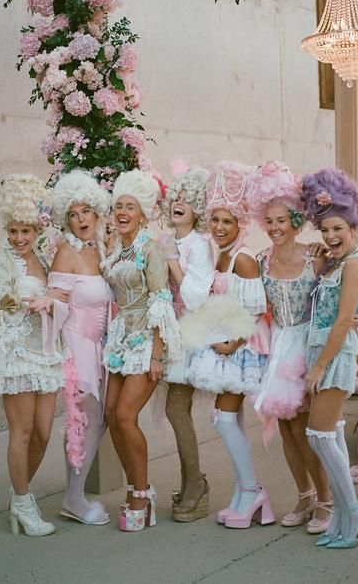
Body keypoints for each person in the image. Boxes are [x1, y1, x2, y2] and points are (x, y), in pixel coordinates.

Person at [0, 174, 64, 537]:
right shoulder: (3, 262)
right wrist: (32, 306)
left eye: (25, 231)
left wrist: (54, 302)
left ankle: (18, 493)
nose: (19, 239)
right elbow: (2, 310)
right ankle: (24, 504)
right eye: (13, 231)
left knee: (43, 433)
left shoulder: (41, 256)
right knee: (22, 432)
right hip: (16, 356)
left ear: (36, 230)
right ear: (7, 228)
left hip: (45, 354)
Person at [186, 161, 274, 529]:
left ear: (240, 223)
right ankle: (243, 494)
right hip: (225, 344)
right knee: (228, 418)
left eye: (227, 221)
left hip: (243, 348)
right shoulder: (220, 254)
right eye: (215, 220)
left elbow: (256, 310)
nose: (219, 227)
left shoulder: (244, 259)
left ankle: (253, 492)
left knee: (223, 418)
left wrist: (232, 343)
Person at [247, 160, 334, 534]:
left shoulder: (314, 257)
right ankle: (304, 495)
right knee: (286, 429)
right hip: (278, 345)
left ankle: (326, 502)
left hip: (306, 346)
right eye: (269, 221)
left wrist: (356, 316)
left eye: (281, 220)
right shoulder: (260, 261)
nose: (274, 228)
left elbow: (339, 294)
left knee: (307, 431)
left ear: (295, 221)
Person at [32, 169, 113, 526]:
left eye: (86, 212)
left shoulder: (101, 247)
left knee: (97, 420)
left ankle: (74, 493)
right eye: (73, 214)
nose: (81, 219)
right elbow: (56, 300)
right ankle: (74, 497)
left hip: (101, 347)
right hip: (78, 346)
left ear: (97, 212)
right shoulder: (66, 252)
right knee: (85, 419)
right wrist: (45, 299)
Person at [103, 169, 181, 532]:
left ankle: (142, 492)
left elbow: (161, 299)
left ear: (142, 213)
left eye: (129, 207)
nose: (122, 212)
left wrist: (157, 352)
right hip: (120, 337)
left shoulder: (151, 249)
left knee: (124, 415)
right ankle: (138, 487)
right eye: (118, 205)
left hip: (146, 338)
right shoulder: (116, 248)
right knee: (110, 415)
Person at [301, 167, 358, 549]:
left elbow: (345, 319)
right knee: (332, 433)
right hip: (323, 351)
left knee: (319, 435)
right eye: (325, 230)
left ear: (353, 227)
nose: (330, 237)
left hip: (335, 357)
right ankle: (346, 514)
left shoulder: (355, 264)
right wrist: (318, 262)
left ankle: (353, 511)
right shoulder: (336, 262)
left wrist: (319, 366)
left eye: (338, 230)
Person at [159, 165, 215, 522]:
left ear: (198, 209)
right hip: (168, 336)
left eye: (187, 200)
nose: (179, 204)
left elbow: (195, 296)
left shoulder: (198, 246)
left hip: (192, 336)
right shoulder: (169, 240)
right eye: (175, 198)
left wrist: (171, 259)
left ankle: (196, 484)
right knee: (176, 410)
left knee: (176, 410)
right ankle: (191, 482)